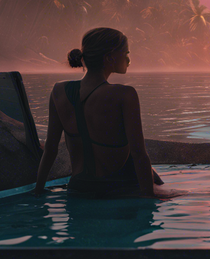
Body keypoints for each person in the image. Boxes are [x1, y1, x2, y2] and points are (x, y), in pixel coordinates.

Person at [33, 28, 169, 197]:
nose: (129, 59)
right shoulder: (125, 95)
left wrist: (38, 190)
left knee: (153, 174)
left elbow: (50, 148)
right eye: (126, 53)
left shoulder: (59, 91)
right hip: (118, 187)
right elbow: (139, 154)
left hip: (78, 186)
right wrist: (149, 197)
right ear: (110, 57)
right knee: (186, 193)